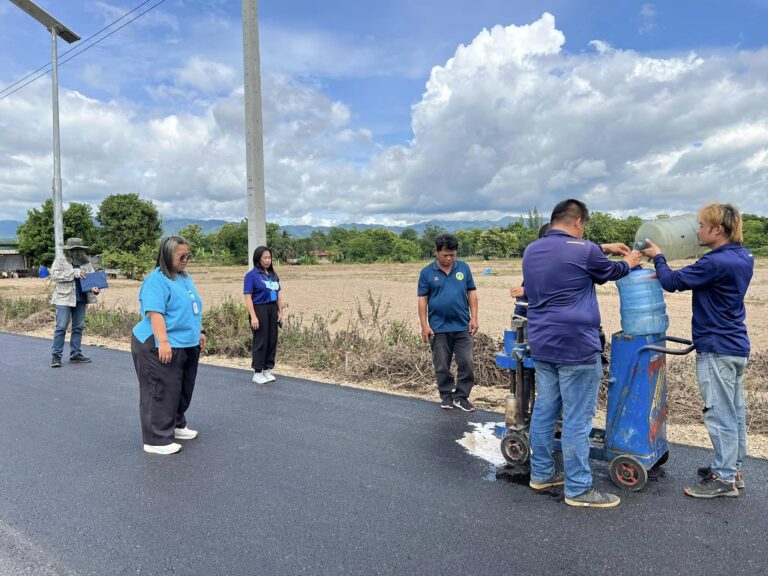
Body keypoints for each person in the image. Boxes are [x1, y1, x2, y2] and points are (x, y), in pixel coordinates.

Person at [522, 199, 641, 508]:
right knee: (577, 419)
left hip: (543, 344)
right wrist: (631, 259)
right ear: (578, 223)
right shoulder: (584, 249)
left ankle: (542, 474)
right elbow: (613, 271)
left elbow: (567, 254)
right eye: (583, 227)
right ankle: (578, 489)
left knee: (546, 411)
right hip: (576, 346)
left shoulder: (532, 250)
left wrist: (600, 246)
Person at [640, 202, 753, 499]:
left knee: (719, 414)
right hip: (735, 345)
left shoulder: (717, 262)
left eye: (702, 226)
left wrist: (659, 257)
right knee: (734, 413)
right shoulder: (742, 256)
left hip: (716, 347)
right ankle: (732, 468)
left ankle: (725, 479)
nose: (697, 231)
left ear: (718, 229)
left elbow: (672, 281)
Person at [130, 236, 206, 455]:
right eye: (181, 256)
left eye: (188, 255)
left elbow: (193, 307)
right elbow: (155, 313)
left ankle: (176, 424)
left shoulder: (183, 277)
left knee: (182, 388)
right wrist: (163, 342)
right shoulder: (156, 280)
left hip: (186, 342)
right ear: (166, 255)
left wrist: (199, 332)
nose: (185, 259)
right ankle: (156, 439)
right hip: (158, 342)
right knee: (160, 389)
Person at [418, 234, 479, 412]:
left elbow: (472, 293)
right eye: (445, 255)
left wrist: (474, 317)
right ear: (436, 252)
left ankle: (462, 396)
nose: (449, 258)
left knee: (466, 362)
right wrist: (424, 326)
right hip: (439, 327)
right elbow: (422, 300)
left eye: (452, 255)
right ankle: (446, 395)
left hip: (462, 326)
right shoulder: (427, 273)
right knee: (442, 365)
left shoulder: (464, 268)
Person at [49, 237, 100, 367]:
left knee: (78, 327)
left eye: (79, 249)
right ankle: (56, 356)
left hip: (81, 299)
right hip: (63, 299)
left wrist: (95, 288)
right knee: (61, 327)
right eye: (74, 249)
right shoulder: (60, 261)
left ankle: (75, 354)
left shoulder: (86, 263)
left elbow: (92, 280)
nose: (76, 251)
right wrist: (74, 272)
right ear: (69, 250)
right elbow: (54, 275)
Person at [243, 246, 283, 384]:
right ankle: (258, 371)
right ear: (258, 259)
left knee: (272, 340)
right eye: (264, 258)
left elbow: (278, 294)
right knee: (261, 340)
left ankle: (268, 369)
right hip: (259, 309)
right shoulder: (251, 275)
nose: (267, 260)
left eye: (269, 257)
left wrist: (280, 311)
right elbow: (248, 297)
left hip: (272, 309)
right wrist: (253, 316)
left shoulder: (273, 275)